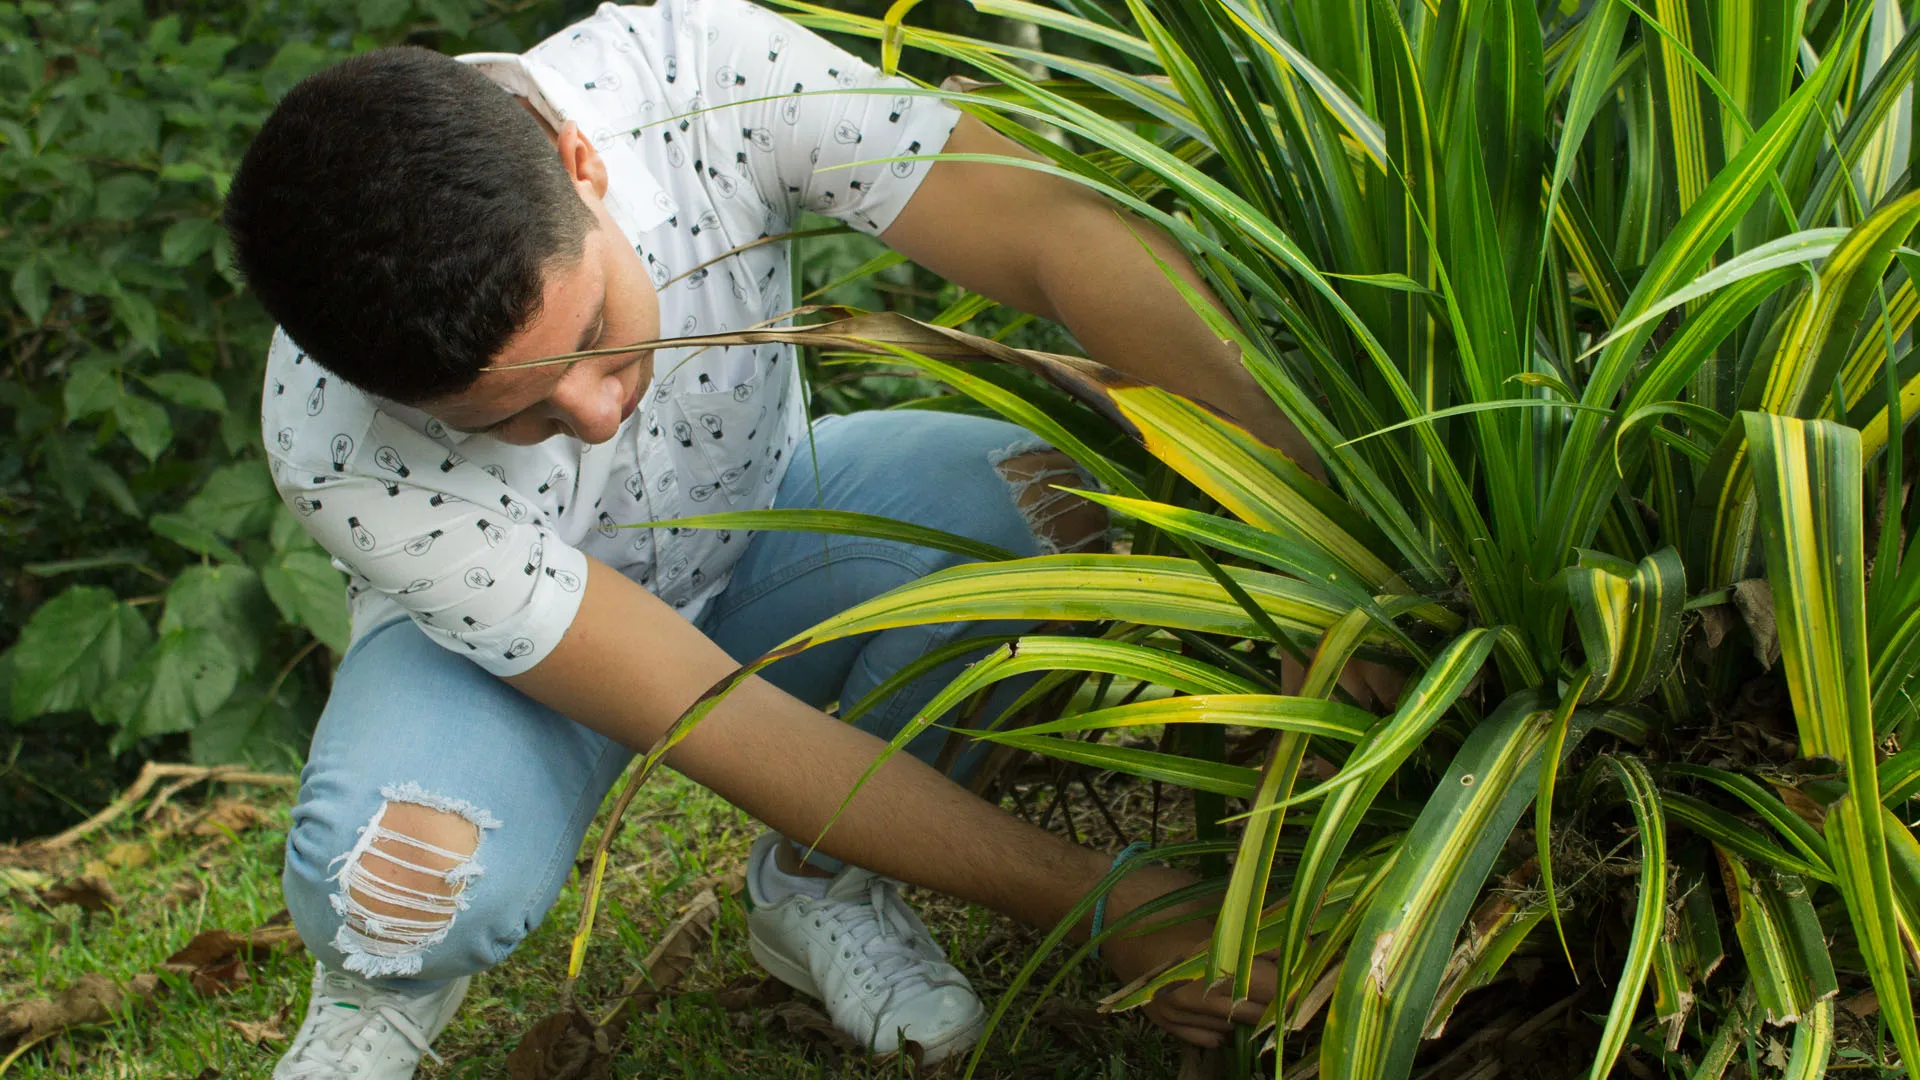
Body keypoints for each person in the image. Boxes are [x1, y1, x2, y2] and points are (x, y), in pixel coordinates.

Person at [223, 1, 1310, 1075]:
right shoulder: (333, 437)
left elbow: (1053, 230)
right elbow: (705, 712)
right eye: (512, 416)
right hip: (503, 668)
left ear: (578, 161)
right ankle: (383, 989)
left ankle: (814, 885)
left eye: (594, 334)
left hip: (764, 529)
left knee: (1041, 498)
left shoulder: (700, 73)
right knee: (400, 893)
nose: (597, 415)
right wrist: (1101, 900)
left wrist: (1312, 524)